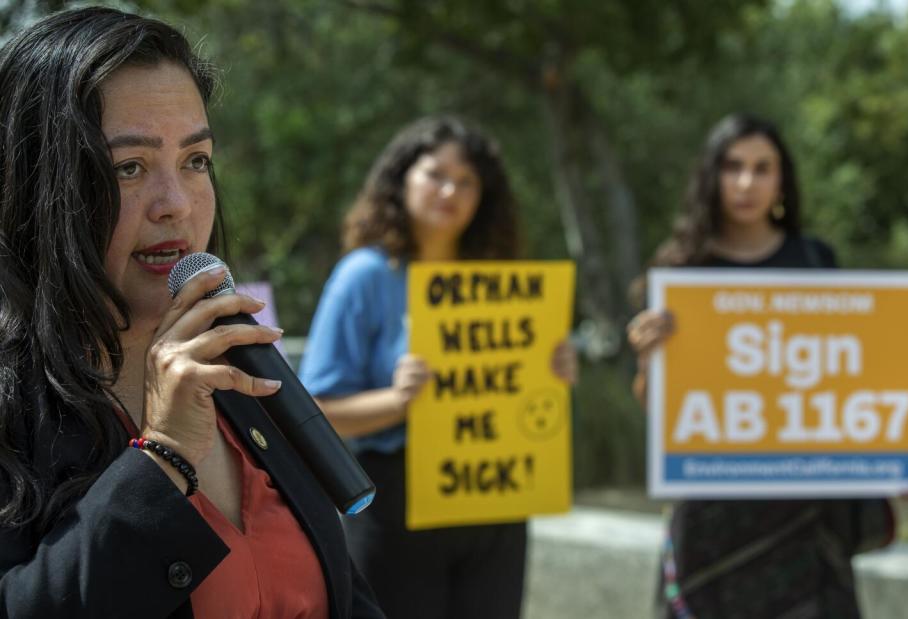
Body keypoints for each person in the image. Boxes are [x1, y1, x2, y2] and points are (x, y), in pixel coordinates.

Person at [0, 8, 383, 618]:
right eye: (129, 167)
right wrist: (164, 454)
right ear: (41, 186)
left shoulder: (240, 371)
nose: (175, 205)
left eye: (195, 160)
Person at [298, 116, 578, 619]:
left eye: (467, 181)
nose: (451, 190)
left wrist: (551, 370)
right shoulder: (364, 275)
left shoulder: (501, 283)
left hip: (495, 499)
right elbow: (318, 411)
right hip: (396, 507)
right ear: (401, 179)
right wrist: (399, 401)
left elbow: (524, 399)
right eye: (435, 174)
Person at [626, 113, 894, 619]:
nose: (746, 183)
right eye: (732, 167)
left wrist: (903, 450)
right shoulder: (680, 271)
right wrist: (649, 360)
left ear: (782, 180)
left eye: (761, 168)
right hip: (710, 516)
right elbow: (656, 411)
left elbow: (850, 380)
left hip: (805, 517)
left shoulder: (816, 261)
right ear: (712, 177)